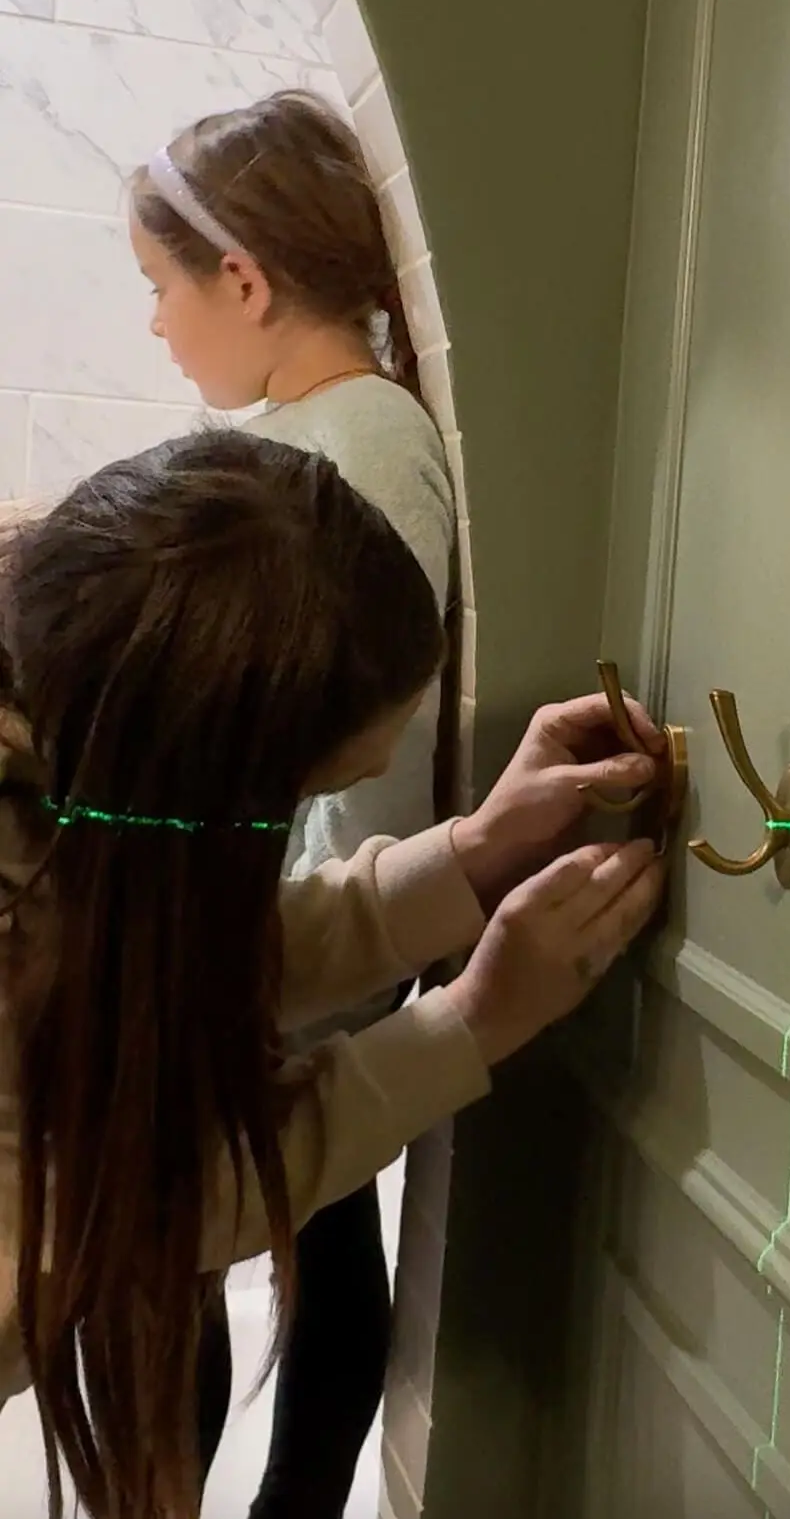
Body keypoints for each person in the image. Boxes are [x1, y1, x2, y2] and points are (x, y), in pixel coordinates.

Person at [0, 430, 663, 1519]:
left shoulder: (58, 780)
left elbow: (155, 951)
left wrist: (471, 852)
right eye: (302, 792)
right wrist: (473, 1021)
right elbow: (133, 1209)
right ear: (197, 787)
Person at [128, 89, 457, 1515]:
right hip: (284, 933)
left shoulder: (354, 452)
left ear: (245, 280)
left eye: (160, 288)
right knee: (285, 1251)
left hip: (284, 942)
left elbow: (346, 762)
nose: (155, 324)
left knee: (201, 1257)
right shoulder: (336, 436)